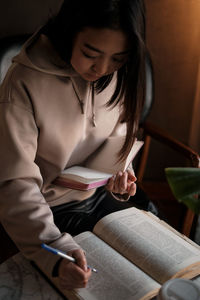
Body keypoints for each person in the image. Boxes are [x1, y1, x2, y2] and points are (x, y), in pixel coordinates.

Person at [0, 0, 152, 290]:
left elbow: (116, 133)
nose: (103, 69)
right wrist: (53, 251)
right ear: (69, 32)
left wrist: (122, 172)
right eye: (90, 54)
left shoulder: (115, 75)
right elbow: (14, 183)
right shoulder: (23, 83)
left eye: (118, 58)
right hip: (46, 208)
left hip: (98, 195)